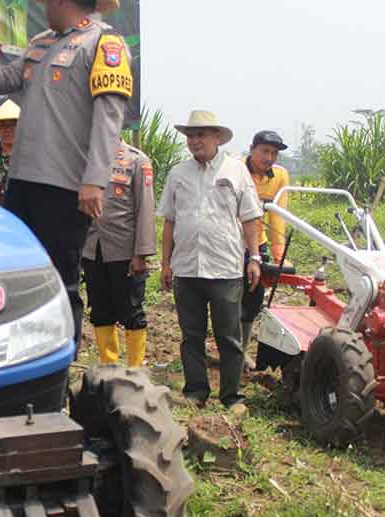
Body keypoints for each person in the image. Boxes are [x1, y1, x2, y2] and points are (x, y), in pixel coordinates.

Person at [0, 0, 133, 347]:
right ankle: (23, 347)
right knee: (22, 269)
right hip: (24, 179)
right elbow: (3, 80)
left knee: (61, 276)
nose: (42, 6)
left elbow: (110, 117)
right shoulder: (41, 42)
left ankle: (61, 360)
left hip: (66, 185)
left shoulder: (103, 43)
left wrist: (94, 182)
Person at [158, 111, 263, 411]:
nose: (195, 141)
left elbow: (250, 217)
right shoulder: (178, 174)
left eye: (201, 135)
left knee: (228, 336)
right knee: (191, 335)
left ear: (217, 137)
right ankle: (196, 391)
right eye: (191, 136)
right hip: (187, 267)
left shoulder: (235, 171)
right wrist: (166, 263)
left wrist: (254, 256)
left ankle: (231, 396)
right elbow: (169, 220)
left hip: (225, 267)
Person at [81, 141, 155, 366]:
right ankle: (109, 366)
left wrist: (141, 253)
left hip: (125, 250)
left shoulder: (137, 160)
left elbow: (145, 208)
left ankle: (134, 370)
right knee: (100, 310)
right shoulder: (84, 157)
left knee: (131, 311)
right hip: (93, 249)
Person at [240, 130, 291, 370]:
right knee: (227, 296)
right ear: (252, 148)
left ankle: (241, 350)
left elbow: (278, 217)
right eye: (265, 151)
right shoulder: (236, 169)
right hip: (229, 243)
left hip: (257, 244)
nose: (269, 157)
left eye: (274, 153)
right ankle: (228, 348)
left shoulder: (279, 177)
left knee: (253, 296)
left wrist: (279, 254)